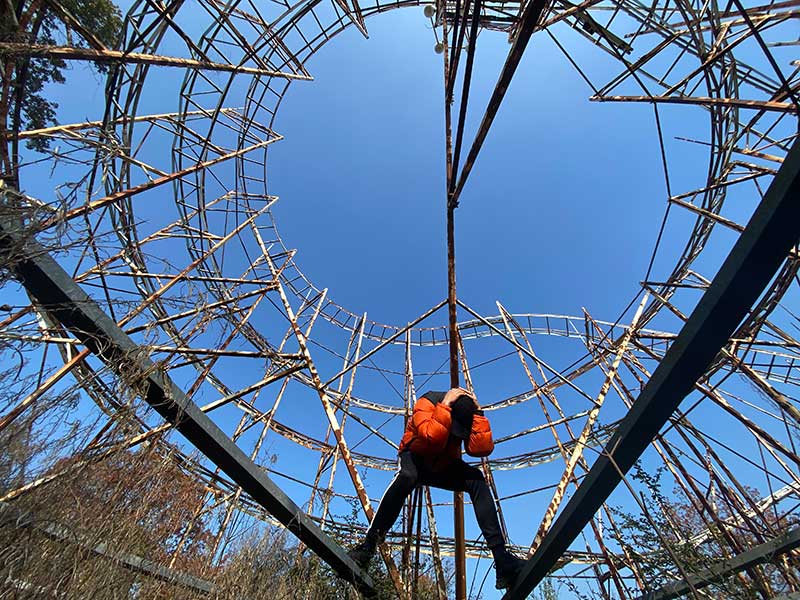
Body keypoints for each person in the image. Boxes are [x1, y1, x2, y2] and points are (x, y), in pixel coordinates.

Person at [349, 387, 526, 590]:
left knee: (476, 480)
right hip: (415, 457)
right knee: (407, 477)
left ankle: (502, 560)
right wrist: (445, 406)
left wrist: (478, 414)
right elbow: (430, 437)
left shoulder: (467, 414)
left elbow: (481, 449)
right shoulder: (427, 402)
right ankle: (366, 548)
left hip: (442, 464)